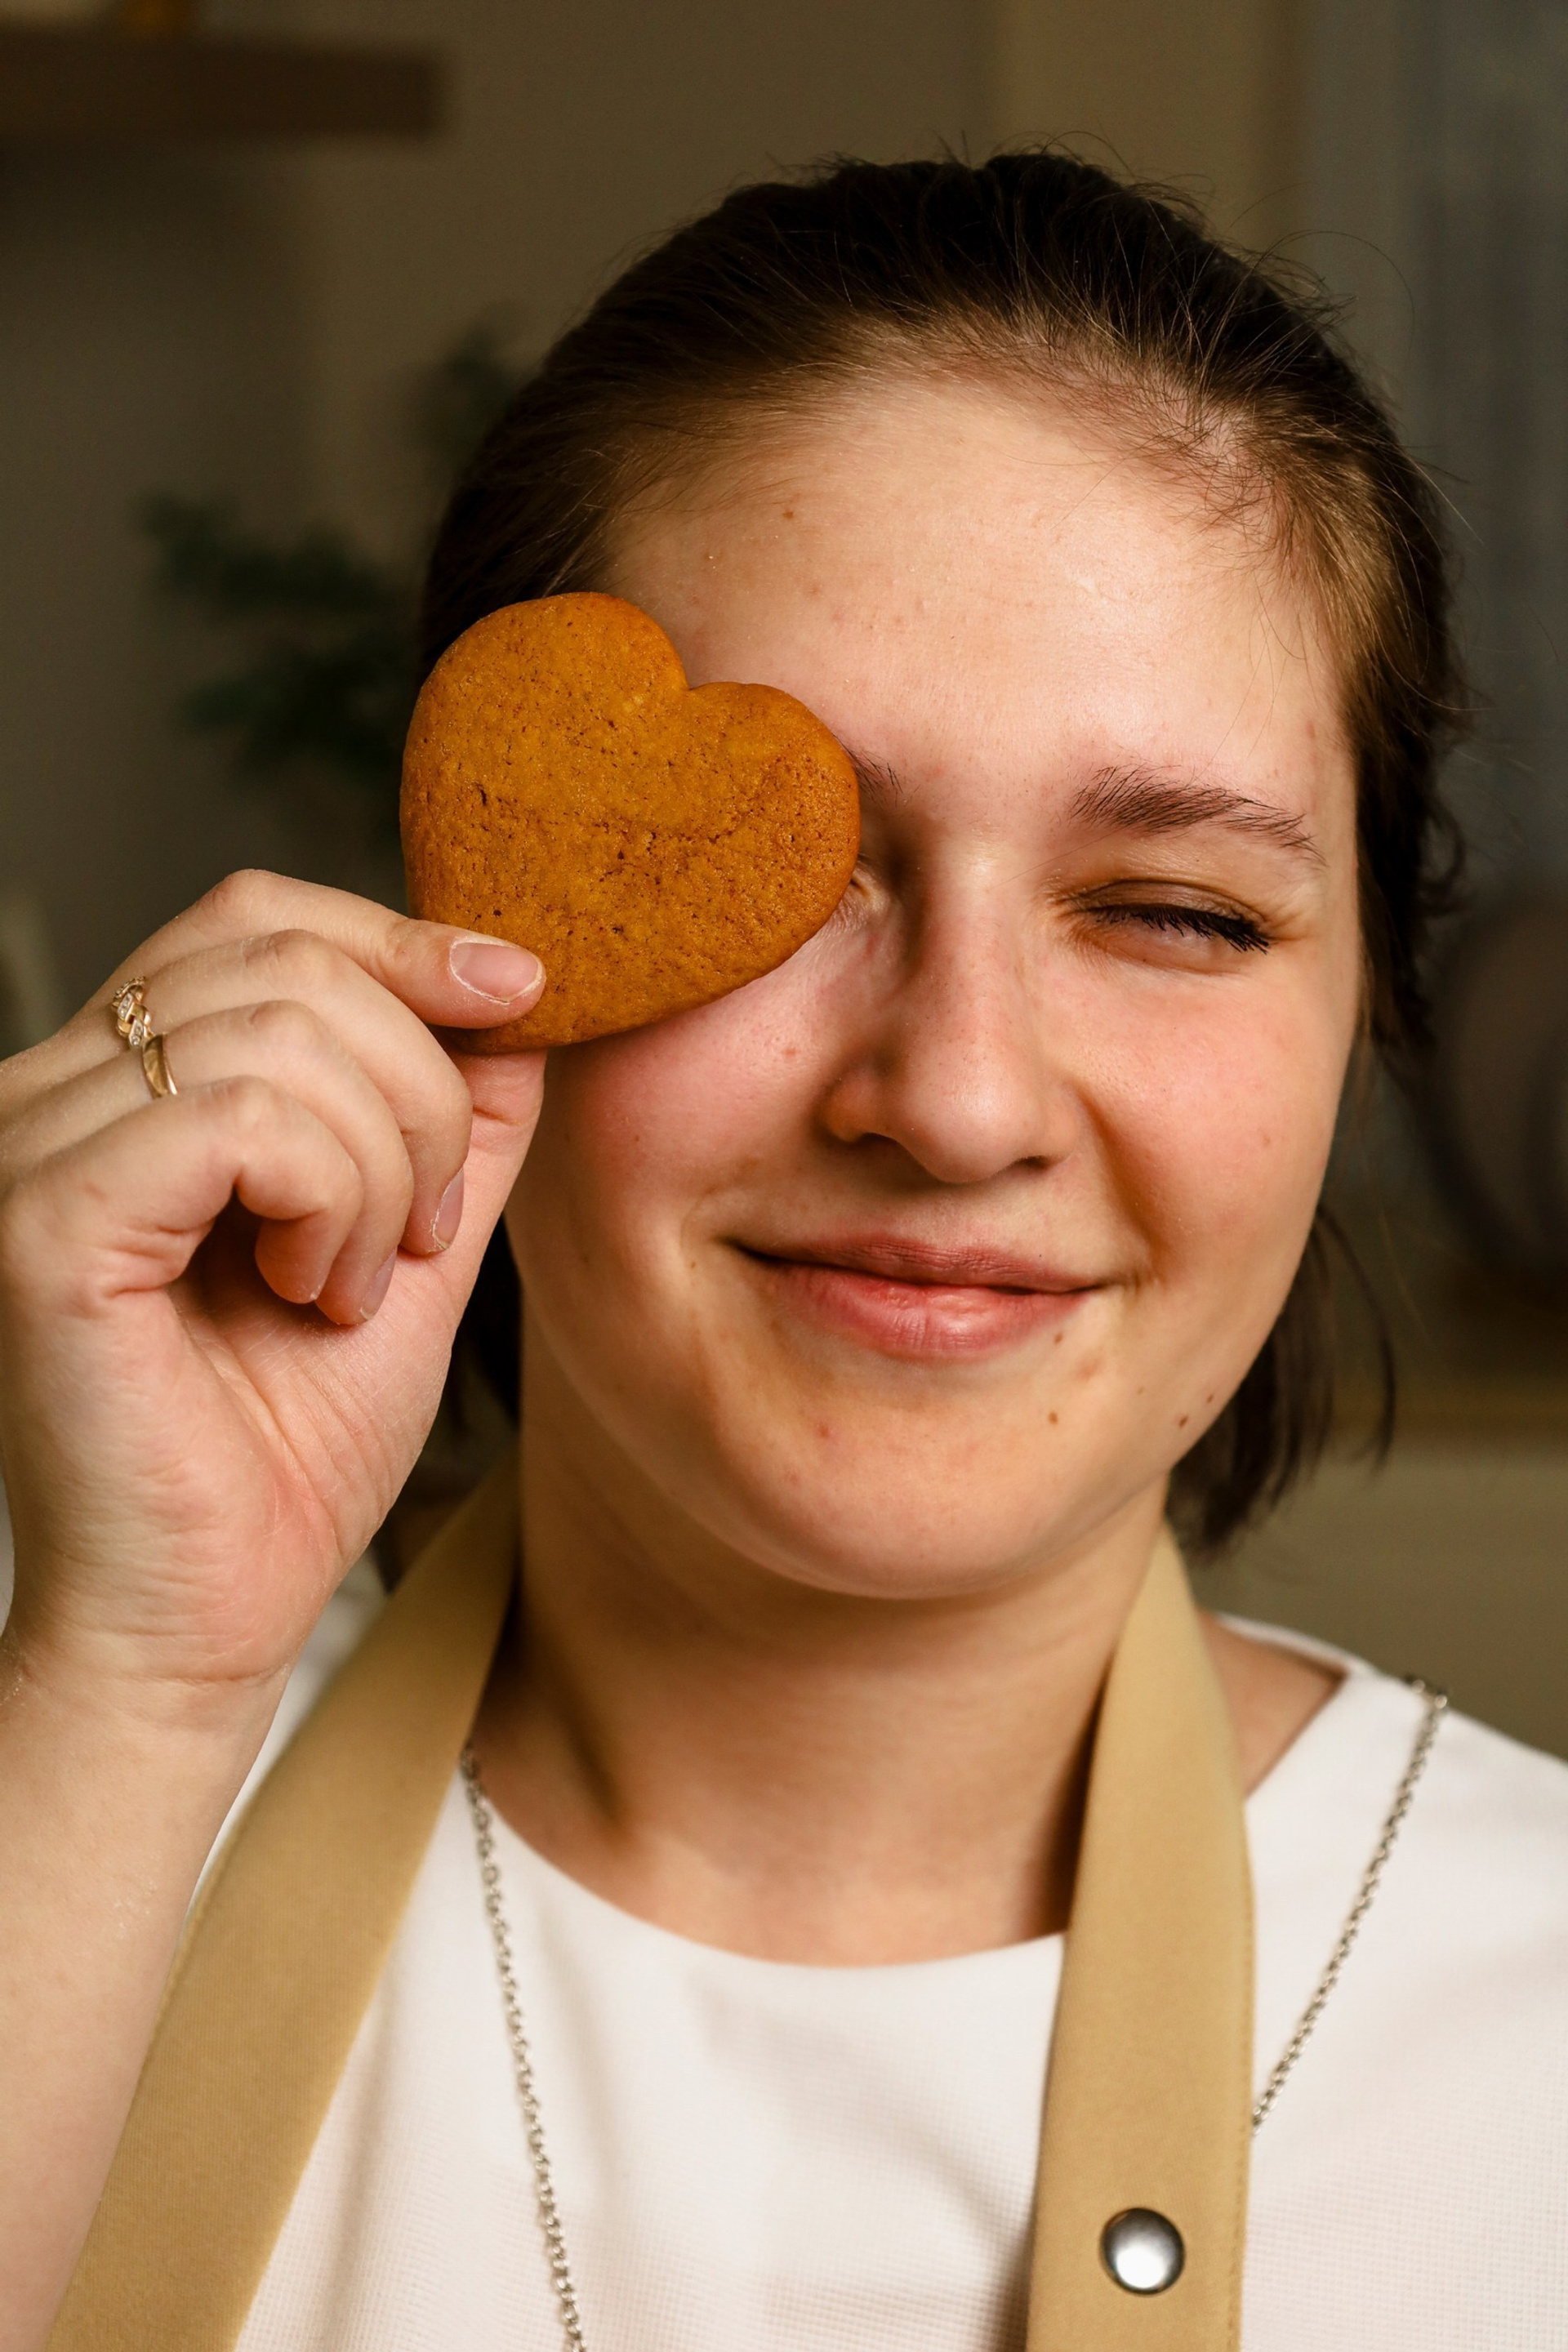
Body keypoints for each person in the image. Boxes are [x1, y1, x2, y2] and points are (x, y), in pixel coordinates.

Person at [2, 152, 1566, 2352]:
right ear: (473, 924)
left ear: (1362, 1036)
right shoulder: (66, 1787)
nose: (957, 1096)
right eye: (783, 871)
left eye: (1175, 911)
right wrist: (127, 1682)